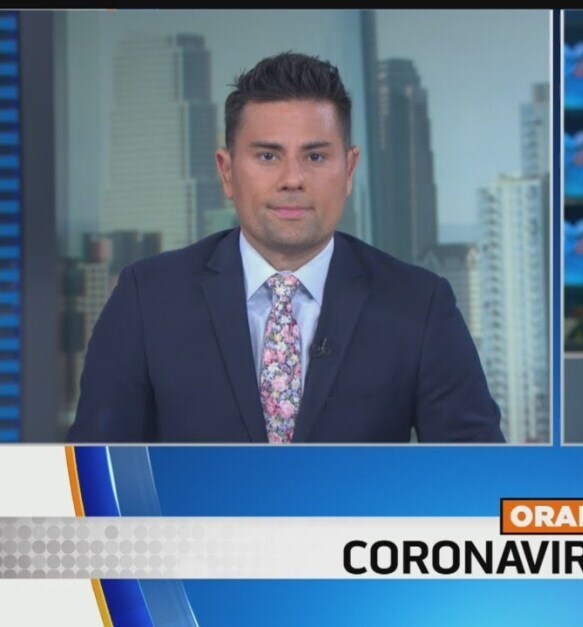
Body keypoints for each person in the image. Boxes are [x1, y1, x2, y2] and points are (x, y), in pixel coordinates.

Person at [67, 52, 504, 443]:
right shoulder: (147, 298)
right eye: (267, 156)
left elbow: (478, 479)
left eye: (315, 157)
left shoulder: (419, 305)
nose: (292, 179)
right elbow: (92, 478)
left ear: (349, 169)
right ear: (226, 171)